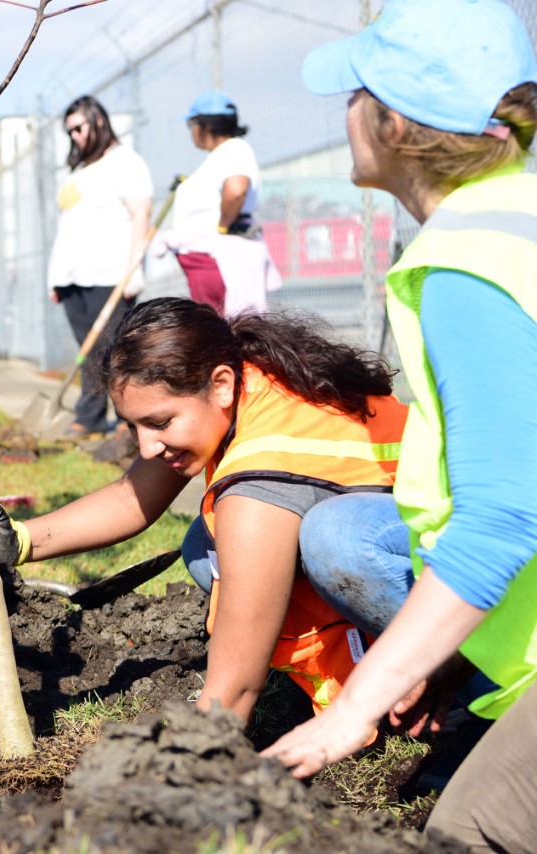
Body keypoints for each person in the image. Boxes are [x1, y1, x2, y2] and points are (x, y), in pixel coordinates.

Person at [263, 1, 537, 848]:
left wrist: (357, 704)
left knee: (476, 829)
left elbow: (503, 515)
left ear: (394, 120)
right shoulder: (516, 219)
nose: (342, 112)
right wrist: (446, 661)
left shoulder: (468, 266)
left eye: (355, 92)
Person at [0, 296, 409, 723]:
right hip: (397, 534)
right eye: (133, 426)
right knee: (204, 544)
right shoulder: (238, 382)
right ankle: (365, 658)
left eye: (159, 423)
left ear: (221, 385)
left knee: (329, 539)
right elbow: (133, 498)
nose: (147, 447)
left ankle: (443, 679)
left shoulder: (260, 480)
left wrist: (196, 755)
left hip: (450, 558)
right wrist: (22, 539)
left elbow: (233, 692)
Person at [47, 95, 153, 436]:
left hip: (109, 273)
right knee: (89, 352)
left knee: (114, 351)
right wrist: (57, 276)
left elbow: (141, 214)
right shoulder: (80, 169)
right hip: (72, 276)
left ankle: (128, 421)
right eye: (70, 132)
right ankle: (91, 418)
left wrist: (134, 268)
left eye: (79, 128)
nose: (75, 136)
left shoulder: (126, 161)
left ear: (99, 121)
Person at [164, 90, 281, 317]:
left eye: (191, 124)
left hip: (216, 258)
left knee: (222, 331)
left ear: (204, 125)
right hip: (208, 259)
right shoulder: (223, 154)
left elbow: (236, 190)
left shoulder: (234, 148)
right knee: (219, 329)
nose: (191, 132)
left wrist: (224, 224)